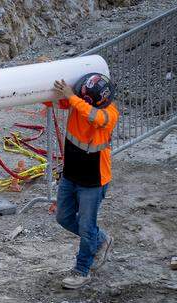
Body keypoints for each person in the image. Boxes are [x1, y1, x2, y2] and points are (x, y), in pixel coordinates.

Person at [54, 73, 119, 290]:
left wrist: (72, 97)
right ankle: (100, 240)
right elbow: (52, 99)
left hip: (93, 181)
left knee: (86, 225)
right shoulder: (77, 103)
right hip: (71, 175)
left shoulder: (109, 113)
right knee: (63, 218)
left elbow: (95, 118)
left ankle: (82, 270)